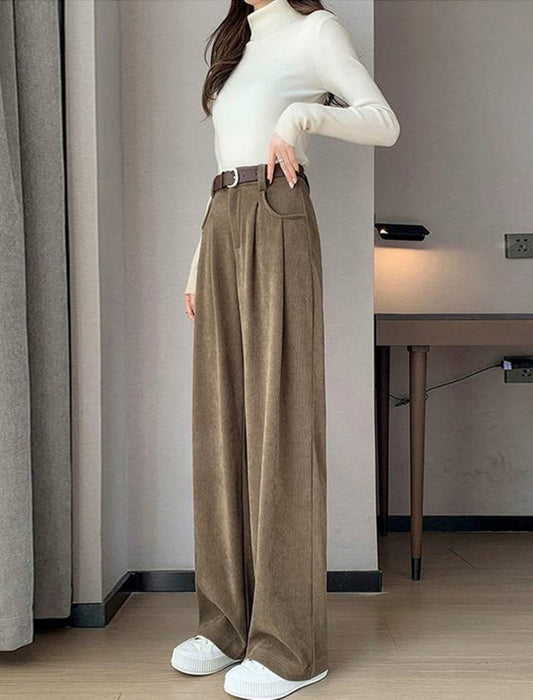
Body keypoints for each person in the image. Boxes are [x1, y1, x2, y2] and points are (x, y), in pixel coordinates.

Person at [172, 1, 400, 698]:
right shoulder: (238, 44)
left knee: (281, 426)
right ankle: (226, 626)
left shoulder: (315, 31)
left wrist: (301, 117)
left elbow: (382, 122)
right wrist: (198, 259)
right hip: (223, 218)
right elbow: (227, 159)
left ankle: (289, 647)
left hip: (277, 212)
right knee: (220, 428)